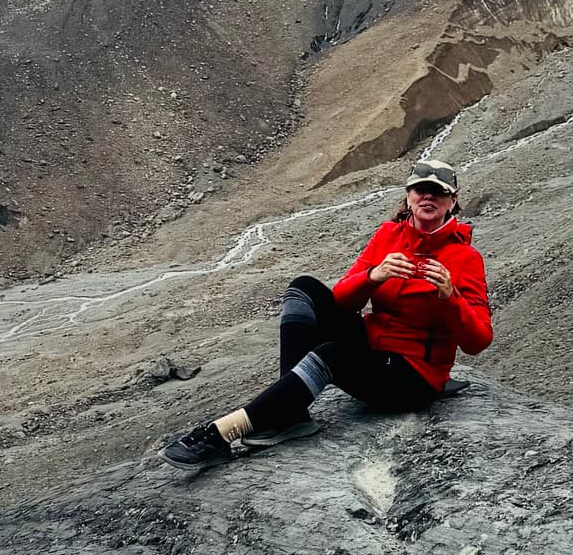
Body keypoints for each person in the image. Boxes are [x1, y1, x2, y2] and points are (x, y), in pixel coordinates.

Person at [163, 154, 492, 467]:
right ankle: (289, 415)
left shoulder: (465, 260)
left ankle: (220, 434)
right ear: (408, 196)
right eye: (421, 189)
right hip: (373, 348)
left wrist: (450, 296)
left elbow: (477, 341)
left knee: (332, 356)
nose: (428, 197)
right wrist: (373, 276)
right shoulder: (388, 235)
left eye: (438, 192)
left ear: (452, 201)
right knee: (304, 287)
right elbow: (342, 301)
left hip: (412, 376)